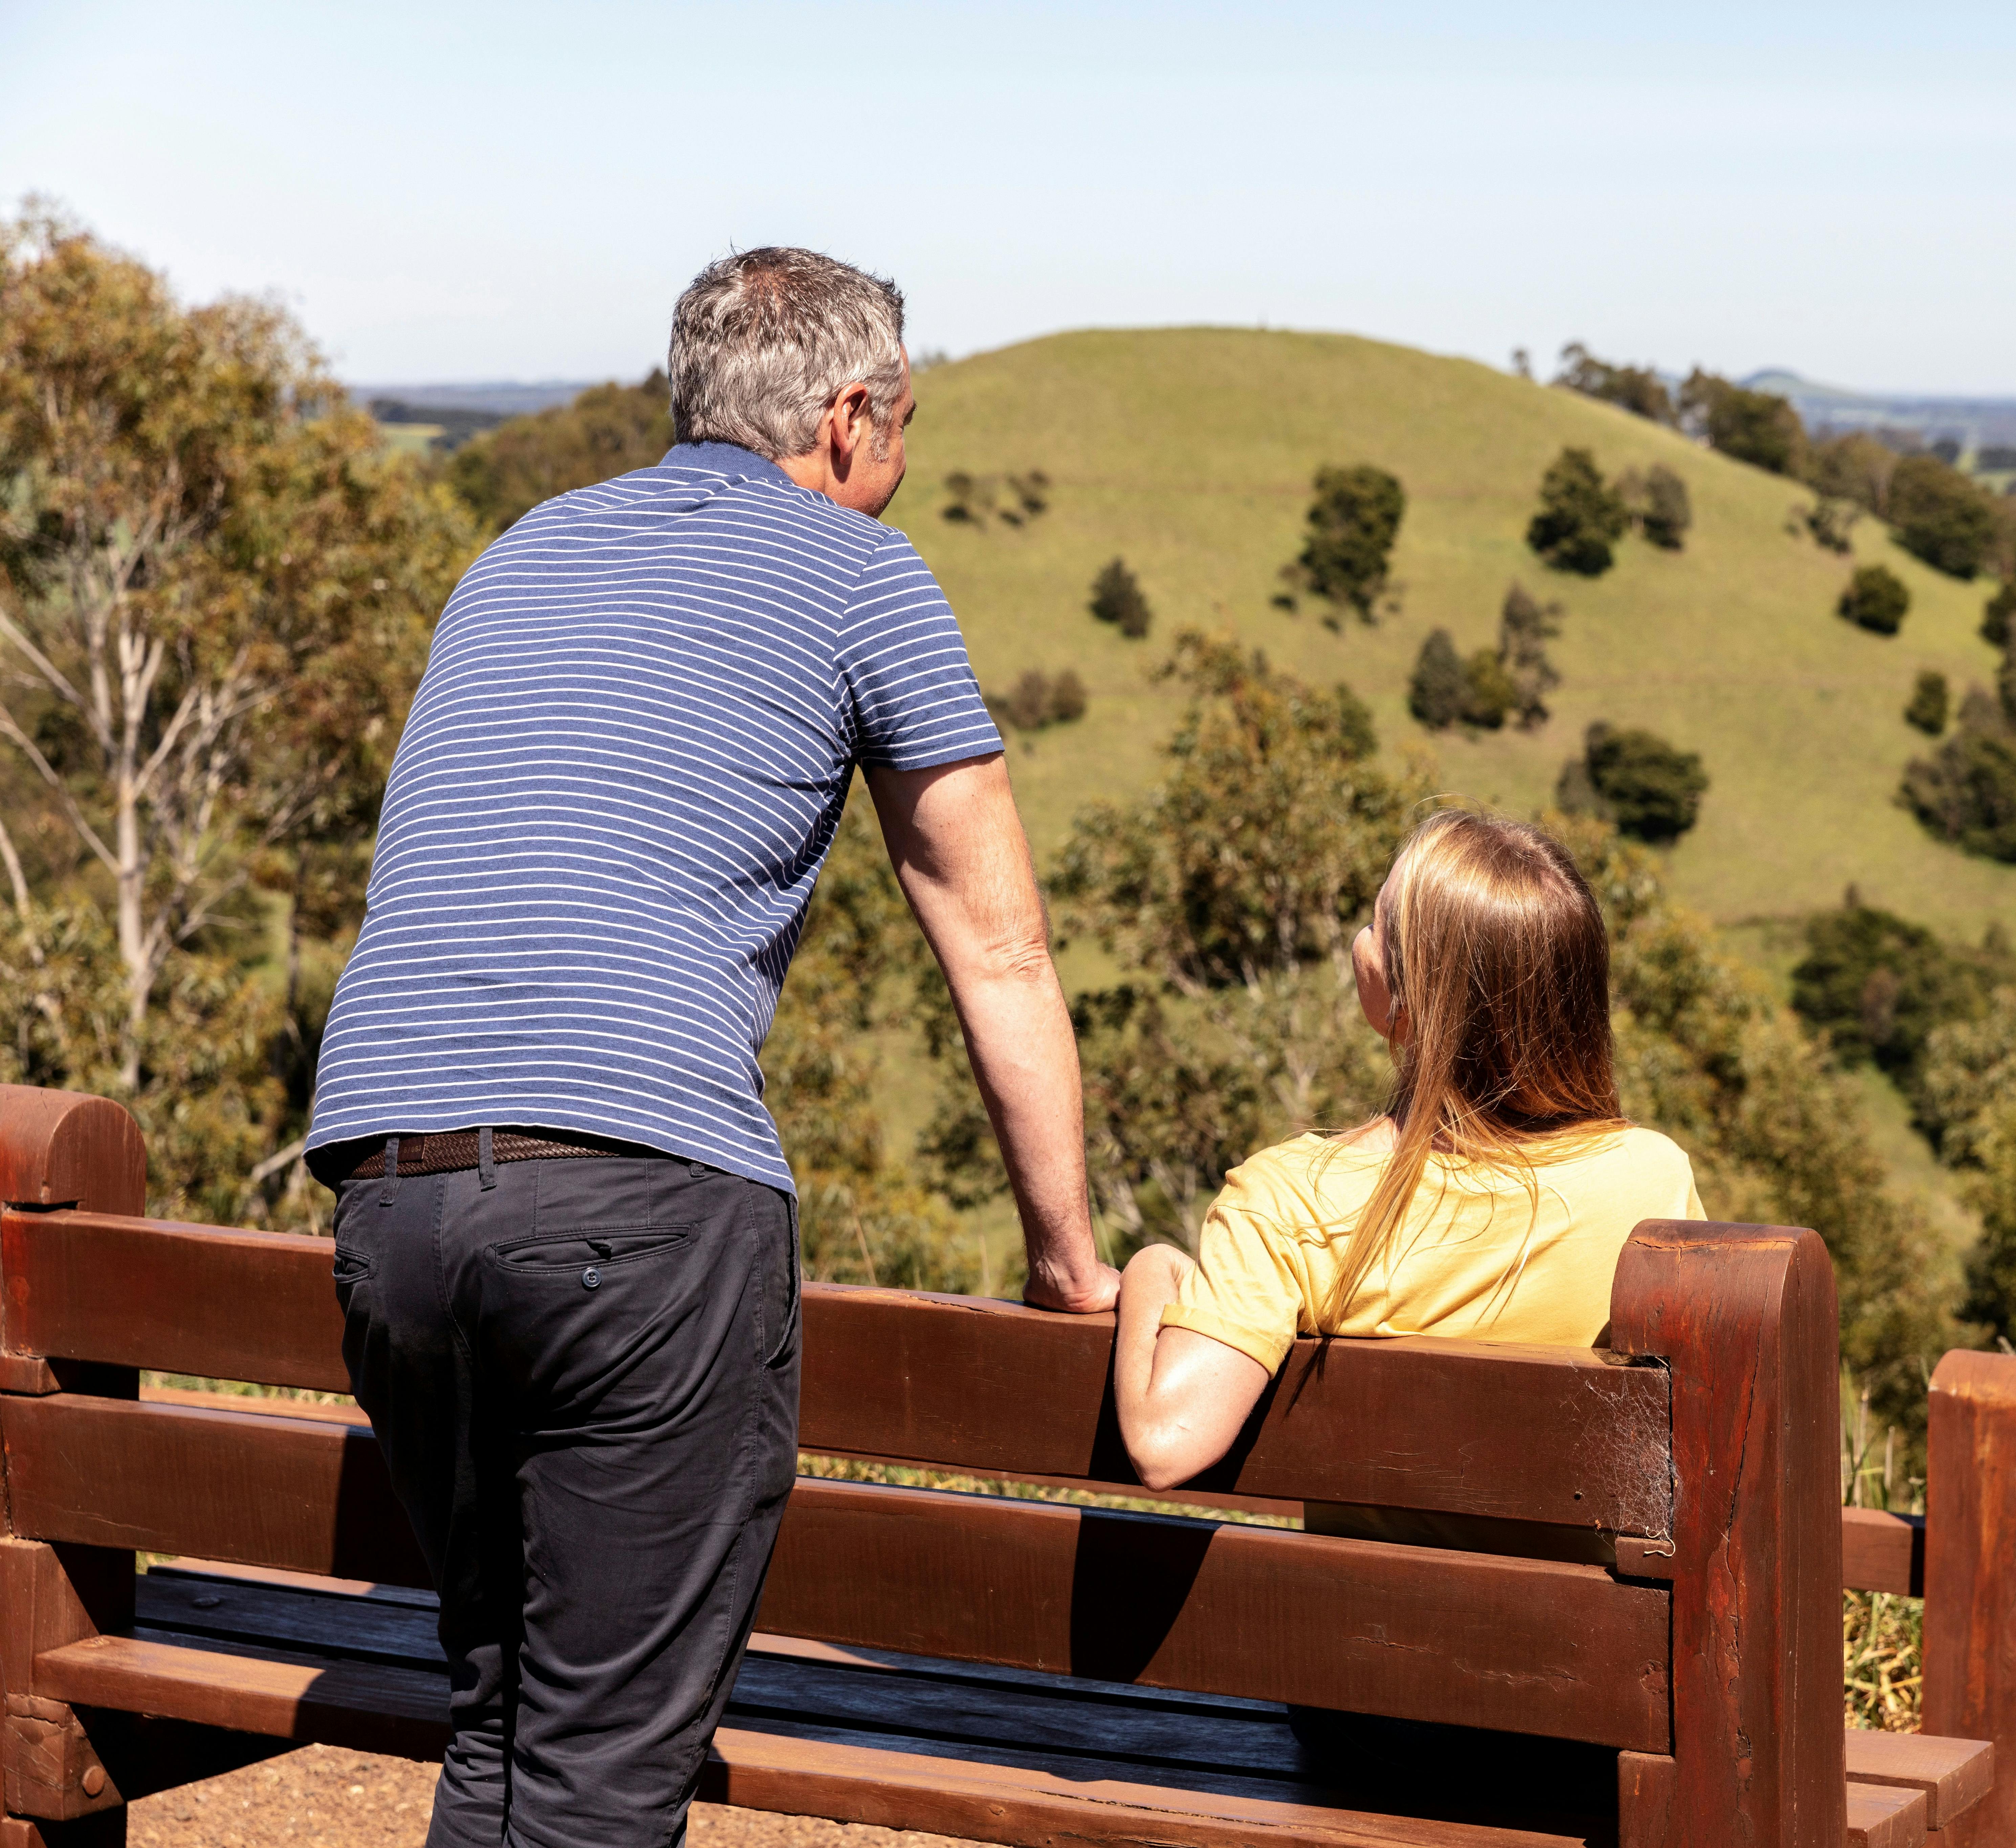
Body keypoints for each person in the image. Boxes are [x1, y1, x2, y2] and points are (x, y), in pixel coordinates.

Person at [304, 247, 1119, 1848]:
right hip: (634, 1209)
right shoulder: (862, 571)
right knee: (604, 1775)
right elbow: (999, 939)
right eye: (906, 420)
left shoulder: (522, 545)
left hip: (385, 1189)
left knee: (505, 1726)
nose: (905, 456)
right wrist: (1068, 1258)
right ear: (843, 419)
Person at [1111, 808, 1703, 1548]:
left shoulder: (1294, 1198)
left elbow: (1167, 1443)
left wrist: (1151, 1271)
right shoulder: (1650, 1178)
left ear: (1401, 990)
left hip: (1356, 1647)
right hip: (1584, 1652)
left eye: (1373, 924)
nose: (1359, 941)